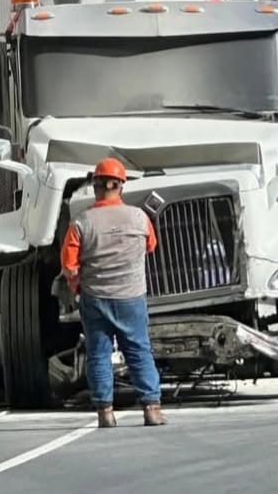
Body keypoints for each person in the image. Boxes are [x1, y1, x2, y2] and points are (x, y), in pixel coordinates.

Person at [61, 158, 166, 428]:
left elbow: (69, 266)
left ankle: (105, 413)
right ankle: (152, 410)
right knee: (139, 350)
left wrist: (76, 287)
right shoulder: (139, 217)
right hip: (132, 297)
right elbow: (150, 246)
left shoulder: (81, 222)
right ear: (120, 186)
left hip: (95, 298)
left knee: (98, 354)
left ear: (96, 186)